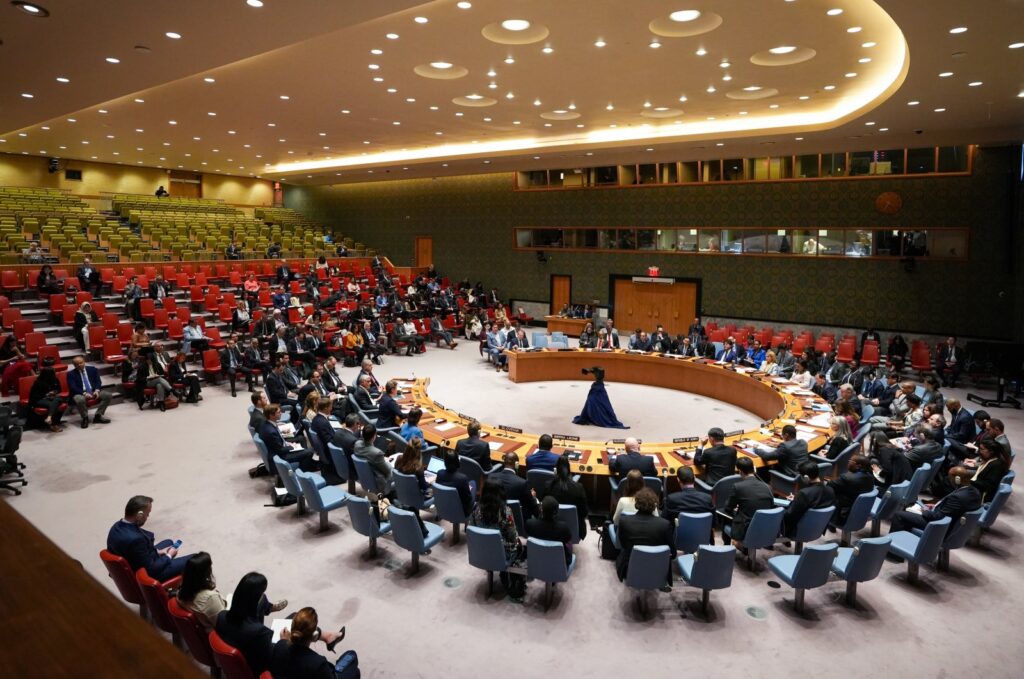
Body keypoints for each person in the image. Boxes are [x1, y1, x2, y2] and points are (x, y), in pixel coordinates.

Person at [177, 552, 286, 633]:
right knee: (259, 598)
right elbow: (225, 623)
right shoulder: (209, 599)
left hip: (212, 621)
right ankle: (267, 611)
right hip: (228, 628)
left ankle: (269, 608)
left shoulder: (181, 591)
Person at [106, 495, 192, 580]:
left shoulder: (116, 526)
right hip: (148, 575)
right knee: (197, 559)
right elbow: (151, 569)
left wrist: (159, 552)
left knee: (168, 542)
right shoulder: (136, 540)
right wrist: (169, 555)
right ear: (139, 515)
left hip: (136, 562)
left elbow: (136, 554)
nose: (148, 517)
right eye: (147, 514)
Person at [470, 479, 525, 598]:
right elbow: (512, 536)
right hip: (503, 554)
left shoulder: (476, 509)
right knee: (520, 544)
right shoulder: (505, 511)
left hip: (480, 552)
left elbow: (472, 530)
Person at [270, 607, 359, 679]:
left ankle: (329, 637)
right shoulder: (318, 663)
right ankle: (329, 638)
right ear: (314, 636)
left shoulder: (279, 646)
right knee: (352, 656)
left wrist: (283, 641)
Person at [215, 573, 277, 675]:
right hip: (256, 669)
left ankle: (269, 608)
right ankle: (270, 608)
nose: (262, 596)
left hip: (237, 663)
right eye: (261, 594)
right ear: (254, 600)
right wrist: (284, 641)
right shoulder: (259, 632)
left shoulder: (221, 616)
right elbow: (269, 660)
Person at [889, 466, 982, 534]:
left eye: (949, 478)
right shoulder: (974, 491)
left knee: (899, 515)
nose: (949, 481)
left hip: (940, 527)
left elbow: (938, 517)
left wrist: (925, 512)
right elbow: (954, 510)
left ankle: (894, 554)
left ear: (957, 479)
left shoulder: (957, 497)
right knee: (910, 511)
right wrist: (937, 506)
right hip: (953, 525)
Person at [615, 488, 674, 586]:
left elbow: (623, 545)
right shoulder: (665, 524)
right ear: (655, 505)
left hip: (630, 568)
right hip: (657, 570)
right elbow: (673, 553)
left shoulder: (624, 521)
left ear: (636, 503)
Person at [723, 457, 775, 546]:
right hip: (766, 527)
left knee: (725, 515)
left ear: (740, 471)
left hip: (747, 528)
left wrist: (737, 508)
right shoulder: (767, 486)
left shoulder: (738, 487)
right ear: (753, 468)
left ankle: (727, 548)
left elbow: (728, 507)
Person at [781, 462, 836, 538]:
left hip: (799, 530)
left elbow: (790, 516)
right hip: (818, 528)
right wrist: (797, 500)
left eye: (800, 476)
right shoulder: (830, 490)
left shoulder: (804, 494)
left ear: (806, 477)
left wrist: (792, 503)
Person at [542, 456, 588, 540]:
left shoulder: (548, 485)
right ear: (569, 470)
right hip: (574, 528)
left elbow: (544, 507)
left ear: (556, 471)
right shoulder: (579, 487)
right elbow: (584, 512)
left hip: (551, 526)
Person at [260, 404, 316, 471]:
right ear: (271, 415)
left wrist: (287, 443)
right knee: (310, 452)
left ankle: (306, 462)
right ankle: (302, 472)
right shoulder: (271, 432)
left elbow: (278, 443)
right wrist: (292, 447)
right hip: (282, 456)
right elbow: (280, 450)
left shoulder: (268, 424)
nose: (281, 413)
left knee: (302, 445)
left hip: (281, 447)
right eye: (278, 412)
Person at [66, 355, 112, 428]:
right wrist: (84, 393)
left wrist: (97, 390)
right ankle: (85, 418)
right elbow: (73, 387)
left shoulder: (93, 369)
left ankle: (98, 416)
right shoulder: (71, 374)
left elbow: (98, 382)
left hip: (93, 391)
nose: (79, 365)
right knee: (79, 399)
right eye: (77, 364)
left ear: (84, 362)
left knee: (108, 395)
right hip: (80, 393)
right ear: (74, 365)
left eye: (81, 363)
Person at [828, 455, 875, 524]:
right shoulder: (871, 477)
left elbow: (829, 486)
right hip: (860, 512)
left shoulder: (847, 478)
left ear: (858, 466)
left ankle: (829, 519)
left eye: (850, 461)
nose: (848, 462)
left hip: (844, 514)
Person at [492, 451, 538, 519]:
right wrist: (533, 497)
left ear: (504, 462)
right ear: (517, 464)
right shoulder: (523, 483)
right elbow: (531, 505)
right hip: (516, 519)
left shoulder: (491, 477)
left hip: (494, 517)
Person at [354, 424, 393, 495]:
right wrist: (387, 462)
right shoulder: (377, 453)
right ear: (374, 436)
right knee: (393, 469)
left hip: (362, 477)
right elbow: (387, 471)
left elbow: (368, 456)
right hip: (377, 481)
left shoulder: (357, 444)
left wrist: (381, 459)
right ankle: (389, 498)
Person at [970, 438, 1011, 502]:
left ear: (991, 451)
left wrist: (970, 481)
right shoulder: (991, 460)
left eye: (982, 449)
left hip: (979, 496)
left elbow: (988, 486)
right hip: (976, 488)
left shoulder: (997, 465)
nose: (979, 451)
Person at [436, 449, 474, 514]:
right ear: (457, 462)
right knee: (473, 483)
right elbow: (468, 499)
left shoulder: (439, 473)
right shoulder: (462, 478)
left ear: (445, 462)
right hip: (460, 511)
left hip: (443, 507)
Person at [28, 365, 65, 431]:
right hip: (39, 399)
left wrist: (54, 392)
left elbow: (59, 389)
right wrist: (46, 394)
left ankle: (49, 418)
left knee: (57, 399)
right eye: (53, 372)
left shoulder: (55, 379)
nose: (55, 373)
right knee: (55, 403)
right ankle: (53, 424)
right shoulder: (38, 382)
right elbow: (34, 395)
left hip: (52, 397)